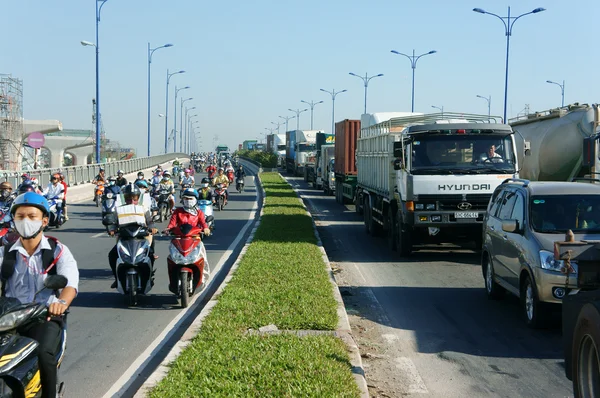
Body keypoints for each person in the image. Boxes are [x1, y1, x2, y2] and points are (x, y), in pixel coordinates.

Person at [0, 192, 79, 398]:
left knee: (45, 353)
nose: (25, 220)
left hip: (43, 316)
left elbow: (70, 284)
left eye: (31, 216)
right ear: (14, 220)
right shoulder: (4, 254)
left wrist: (61, 302)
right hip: (8, 318)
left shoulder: (58, 251)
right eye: (20, 216)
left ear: (44, 220)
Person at [107, 184, 158, 288]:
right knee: (112, 255)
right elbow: (112, 222)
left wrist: (152, 228)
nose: (132, 201)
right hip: (124, 238)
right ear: (125, 198)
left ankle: (149, 276)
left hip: (141, 238)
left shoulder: (143, 209)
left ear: (138, 198)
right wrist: (111, 229)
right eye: (129, 198)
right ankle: (117, 279)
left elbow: (150, 221)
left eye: (134, 198)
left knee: (150, 254)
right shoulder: (119, 210)